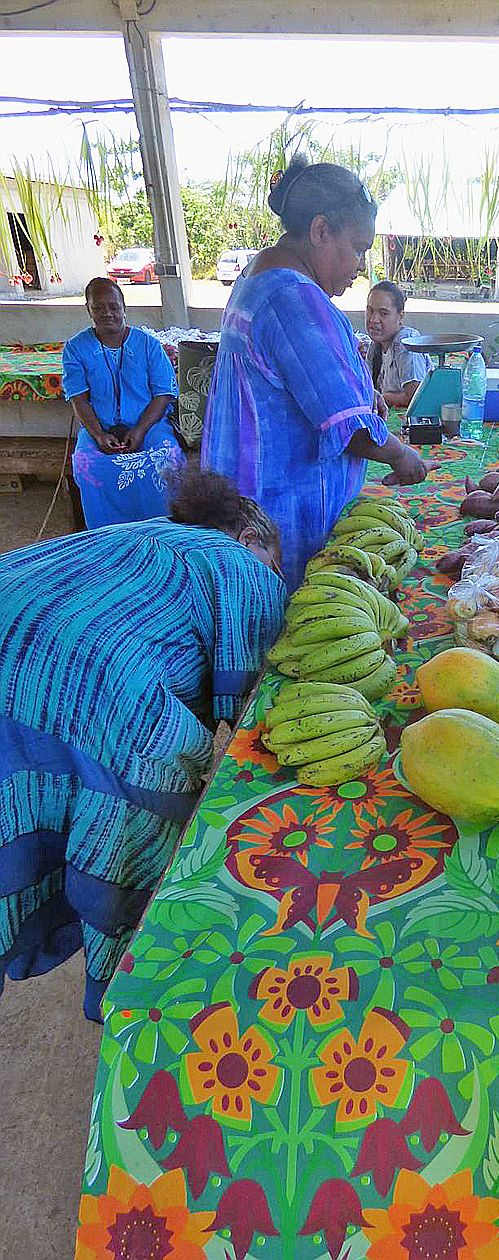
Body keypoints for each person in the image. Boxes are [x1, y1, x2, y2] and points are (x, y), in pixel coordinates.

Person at [0, 466, 286, 1020]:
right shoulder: (237, 564)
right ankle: (121, 996)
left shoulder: (138, 533)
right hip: (88, 684)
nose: (272, 578)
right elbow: (253, 710)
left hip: (15, 630)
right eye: (273, 563)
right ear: (249, 538)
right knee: (138, 805)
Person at [202, 157, 430, 590]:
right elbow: (349, 428)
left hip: (247, 504)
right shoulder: (293, 297)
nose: (361, 264)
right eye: (359, 247)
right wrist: (402, 455)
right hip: (279, 519)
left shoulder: (257, 278)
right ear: (321, 230)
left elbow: (302, 389)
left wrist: (364, 396)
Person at [62, 278, 184, 529]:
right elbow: (78, 398)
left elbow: (163, 394)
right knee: (87, 466)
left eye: (113, 306)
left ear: (124, 307)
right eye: (98, 307)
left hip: (150, 427)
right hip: (99, 429)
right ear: (88, 309)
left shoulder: (148, 345)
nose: (107, 313)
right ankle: (109, 538)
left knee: (167, 460)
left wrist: (139, 431)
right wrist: (98, 434)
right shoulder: (75, 348)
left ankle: (163, 533)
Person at [363, 280, 432, 409]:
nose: (373, 320)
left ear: (400, 317)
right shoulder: (375, 345)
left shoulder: (406, 342)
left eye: (383, 313)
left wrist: (385, 397)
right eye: (370, 311)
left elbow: (415, 396)